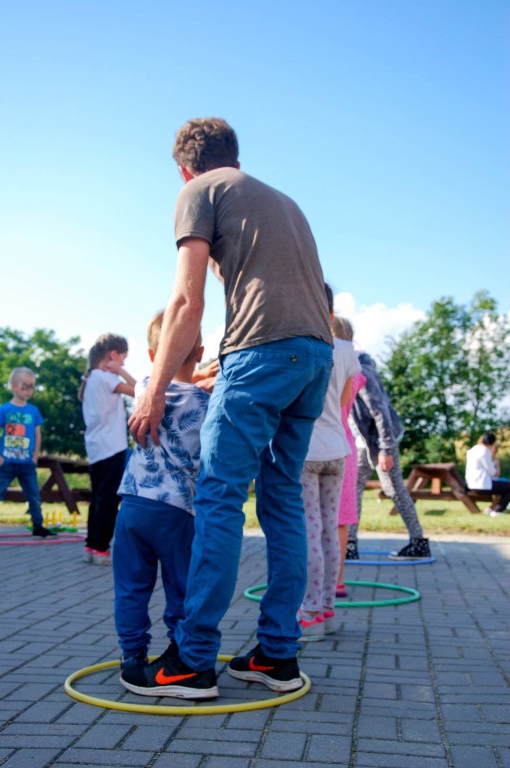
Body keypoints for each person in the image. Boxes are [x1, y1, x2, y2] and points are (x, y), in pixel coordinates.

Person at [125, 117, 333, 699]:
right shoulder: (282, 200)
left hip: (261, 352)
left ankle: (191, 661)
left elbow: (187, 301)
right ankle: (276, 654)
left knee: (218, 496)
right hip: (312, 355)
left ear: (183, 169)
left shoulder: (197, 190)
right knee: (282, 496)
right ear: (236, 160)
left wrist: (155, 387)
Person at [114, 312, 212, 692]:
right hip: (176, 510)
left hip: (134, 507)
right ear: (200, 352)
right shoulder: (206, 408)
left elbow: (154, 382)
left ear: (153, 354)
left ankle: (132, 655)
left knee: (131, 586)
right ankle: (178, 650)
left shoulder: (143, 388)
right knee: (180, 586)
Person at [298, 287, 360, 640]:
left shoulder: (302, 348)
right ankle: (328, 609)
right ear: (333, 315)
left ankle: (309, 614)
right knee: (330, 530)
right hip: (338, 449)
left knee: (310, 531)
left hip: (307, 451)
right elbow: (343, 401)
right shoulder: (348, 351)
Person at [348, 349, 431, 561]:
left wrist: (385, 448)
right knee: (353, 487)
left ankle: (419, 542)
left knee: (393, 488)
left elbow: (380, 410)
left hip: (381, 439)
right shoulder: (344, 366)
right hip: (362, 441)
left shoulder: (362, 369)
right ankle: (349, 543)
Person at [79, 334, 136, 564]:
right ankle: (102, 549)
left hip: (95, 449)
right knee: (109, 501)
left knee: (98, 499)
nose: (123, 364)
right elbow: (139, 390)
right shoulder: (106, 377)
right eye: (122, 360)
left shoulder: (90, 378)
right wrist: (119, 371)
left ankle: (91, 547)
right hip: (112, 447)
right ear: (113, 355)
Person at [0, 367, 55, 538]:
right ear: (14, 387)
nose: (28, 390)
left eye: (31, 387)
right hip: (6, 462)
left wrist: (35, 457)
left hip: (27, 463)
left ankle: (38, 525)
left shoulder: (33, 411)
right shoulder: (4, 409)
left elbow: (37, 435)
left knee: (34, 495)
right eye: (25, 386)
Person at [331, 316, 366, 596]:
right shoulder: (355, 371)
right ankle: (337, 582)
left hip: (323, 442)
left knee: (317, 520)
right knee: (341, 520)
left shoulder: (327, 365)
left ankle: (316, 583)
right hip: (346, 446)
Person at [465, 431, 510, 516]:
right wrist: (496, 465)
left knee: (503, 487)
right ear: (492, 442)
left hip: (471, 484)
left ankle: (492, 508)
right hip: (481, 485)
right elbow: (492, 471)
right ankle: (498, 510)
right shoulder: (484, 451)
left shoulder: (472, 450)